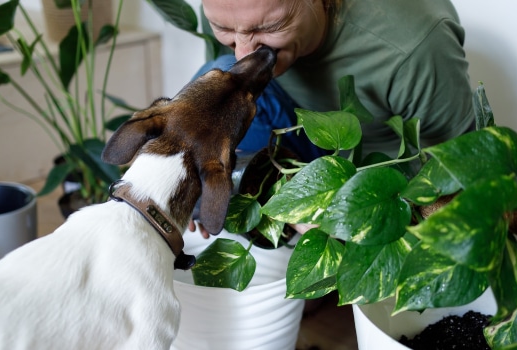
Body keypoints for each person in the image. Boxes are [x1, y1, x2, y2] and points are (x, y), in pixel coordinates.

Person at [190, 0, 475, 235]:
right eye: (223, 28)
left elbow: (457, 175)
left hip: (386, 178)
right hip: (305, 135)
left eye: (268, 27)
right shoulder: (231, 8)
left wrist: (335, 212)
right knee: (221, 75)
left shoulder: (416, 46)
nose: (243, 54)